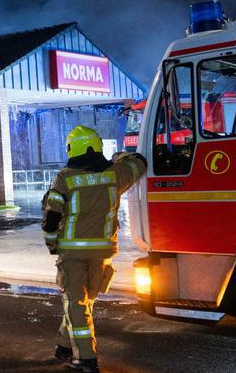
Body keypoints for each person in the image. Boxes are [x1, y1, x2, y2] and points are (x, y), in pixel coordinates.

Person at [42, 125, 146, 373]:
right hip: (103, 254)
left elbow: (51, 217)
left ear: (73, 148)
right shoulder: (114, 175)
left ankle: (86, 359)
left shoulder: (65, 177)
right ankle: (64, 347)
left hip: (72, 254)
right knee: (82, 302)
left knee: (76, 303)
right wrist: (116, 158)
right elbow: (139, 162)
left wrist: (51, 243)